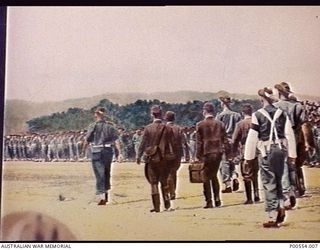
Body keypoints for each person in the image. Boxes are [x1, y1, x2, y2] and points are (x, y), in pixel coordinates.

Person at [244, 87, 297, 228]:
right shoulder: (282, 113)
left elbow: (252, 138)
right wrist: (292, 155)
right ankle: (280, 205)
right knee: (279, 180)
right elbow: (289, 135)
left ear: (262, 99)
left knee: (269, 182)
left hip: (266, 151)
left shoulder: (258, 115)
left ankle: (272, 214)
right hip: (280, 151)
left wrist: (248, 158)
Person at [274, 82, 314, 198]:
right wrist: (308, 142)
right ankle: (299, 187)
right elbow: (304, 125)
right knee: (297, 164)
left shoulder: (275, 107)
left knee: (285, 164)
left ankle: (289, 189)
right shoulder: (298, 106)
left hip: (280, 138)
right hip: (297, 137)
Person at [136, 105, 175, 213]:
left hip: (152, 158)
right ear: (161, 114)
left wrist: (138, 156)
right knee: (164, 181)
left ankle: (157, 207)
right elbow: (173, 143)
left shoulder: (148, 128)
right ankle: (167, 204)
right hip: (165, 158)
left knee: (153, 183)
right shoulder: (167, 128)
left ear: (152, 114)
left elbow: (142, 143)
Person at [196, 102, 230, 208]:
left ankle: (209, 201)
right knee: (214, 175)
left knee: (205, 176)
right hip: (218, 152)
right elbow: (225, 140)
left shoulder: (200, 124)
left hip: (207, 152)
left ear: (204, 111)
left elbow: (199, 142)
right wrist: (228, 152)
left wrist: (198, 155)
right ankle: (217, 199)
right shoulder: (220, 124)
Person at [85, 107, 120, 205]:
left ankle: (101, 197)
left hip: (96, 150)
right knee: (106, 172)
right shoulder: (111, 126)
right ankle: (106, 197)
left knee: (99, 173)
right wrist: (119, 153)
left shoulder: (93, 126)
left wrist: (83, 150)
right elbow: (116, 140)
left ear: (96, 114)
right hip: (108, 150)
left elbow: (87, 139)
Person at [232, 103, 260, 204]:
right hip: (257, 150)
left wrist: (233, 152)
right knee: (255, 173)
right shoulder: (256, 122)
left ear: (242, 112)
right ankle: (257, 195)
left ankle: (249, 198)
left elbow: (235, 140)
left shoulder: (240, 124)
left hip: (245, 150)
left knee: (246, 175)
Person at [216, 94, 241, 193]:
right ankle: (234, 175)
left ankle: (227, 184)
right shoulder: (237, 115)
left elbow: (218, 131)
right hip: (234, 140)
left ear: (222, 103)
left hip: (224, 140)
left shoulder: (220, 116)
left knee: (224, 162)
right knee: (233, 160)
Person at [164, 111, 184, 204]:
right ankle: (172, 192)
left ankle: (168, 191)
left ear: (165, 118)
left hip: (165, 154)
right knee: (173, 173)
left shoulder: (163, 128)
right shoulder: (178, 129)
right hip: (177, 154)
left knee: (167, 173)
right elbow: (183, 141)